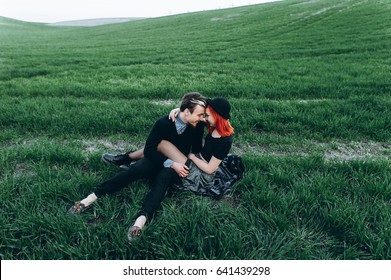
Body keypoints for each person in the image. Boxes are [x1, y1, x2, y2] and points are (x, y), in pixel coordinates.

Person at [67, 92, 207, 242]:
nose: (202, 118)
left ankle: (140, 221)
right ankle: (88, 200)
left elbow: (197, 146)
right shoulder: (163, 123)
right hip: (161, 159)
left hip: (178, 165)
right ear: (186, 111)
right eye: (199, 115)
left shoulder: (197, 125)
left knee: (162, 180)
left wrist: (180, 162)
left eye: (203, 115)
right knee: (134, 170)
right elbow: (149, 150)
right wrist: (171, 162)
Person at [125, 97, 239, 239]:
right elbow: (190, 112)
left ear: (217, 116)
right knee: (160, 147)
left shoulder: (225, 141)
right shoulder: (213, 124)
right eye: (204, 115)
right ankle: (127, 158)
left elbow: (210, 169)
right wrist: (178, 111)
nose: (204, 118)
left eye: (207, 115)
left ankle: (127, 158)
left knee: (162, 145)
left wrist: (192, 157)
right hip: (196, 161)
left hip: (201, 174)